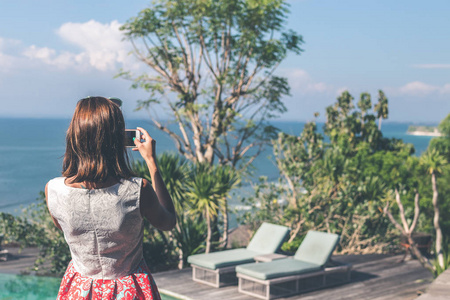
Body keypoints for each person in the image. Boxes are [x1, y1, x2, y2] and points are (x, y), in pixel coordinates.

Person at [45, 96, 176, 300]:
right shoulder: (137, 190)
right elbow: (168, 221)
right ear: (116, 140)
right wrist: (151, 162)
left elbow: (63, 226)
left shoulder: (53, 189)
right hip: (129, 290)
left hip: (79, 289)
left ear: (75, 136)